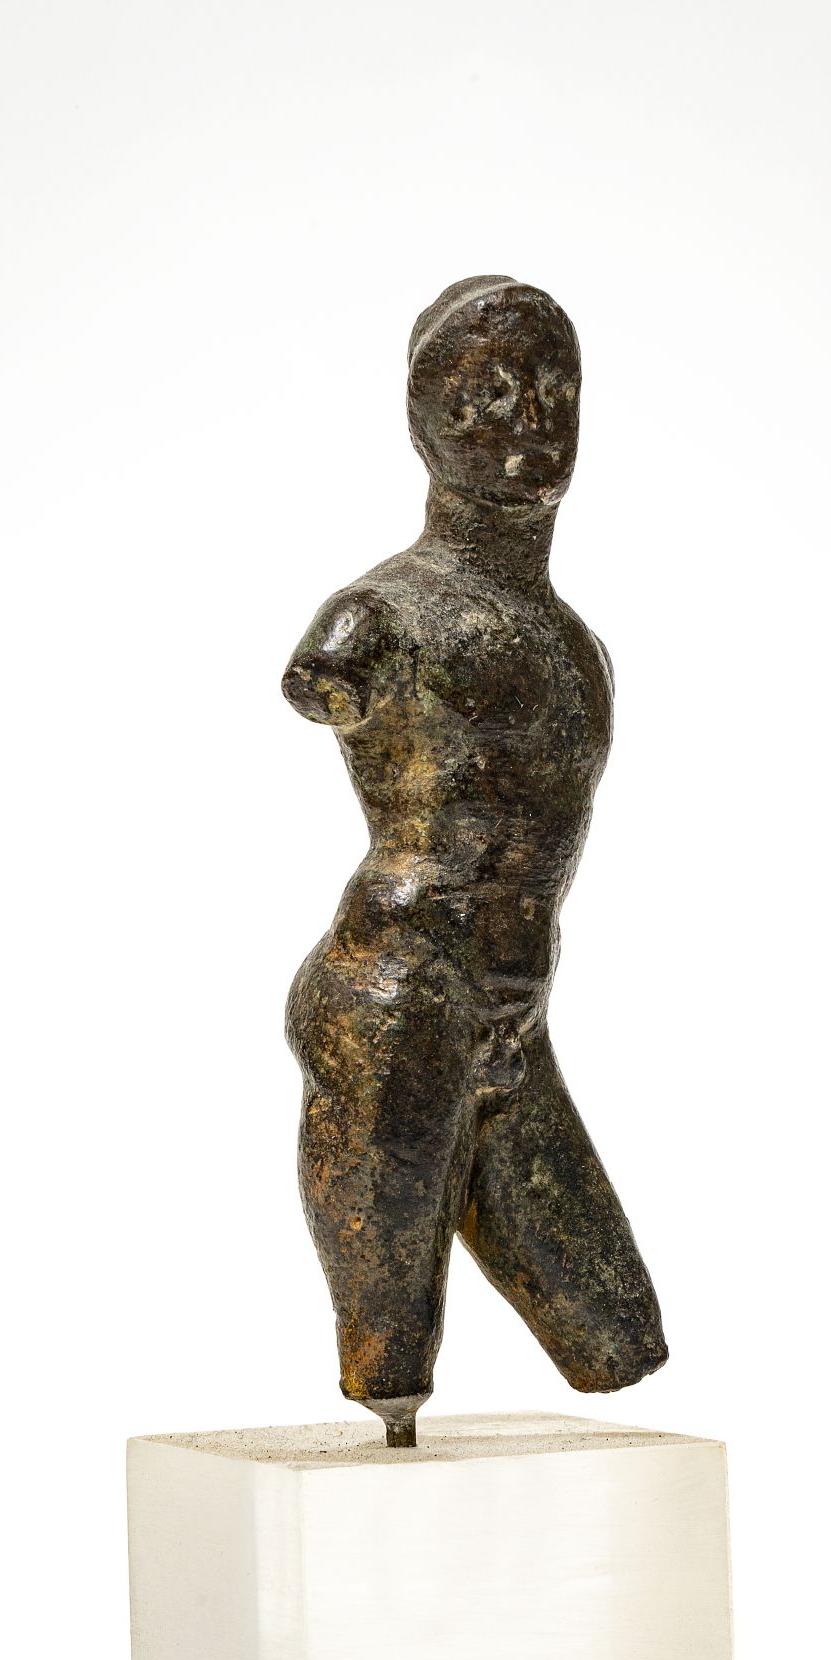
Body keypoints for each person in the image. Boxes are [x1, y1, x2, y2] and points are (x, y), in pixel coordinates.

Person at [283, 276, 666, 1446]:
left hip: (513, 1019)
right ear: (424, 419)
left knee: (616, 1335)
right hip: (396, 999)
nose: (530, 423)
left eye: (555, 391)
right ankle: (387, 1433)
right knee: (388, 1352)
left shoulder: (577, 645)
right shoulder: (378, 618)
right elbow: (319, 676)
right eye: (488, 394)